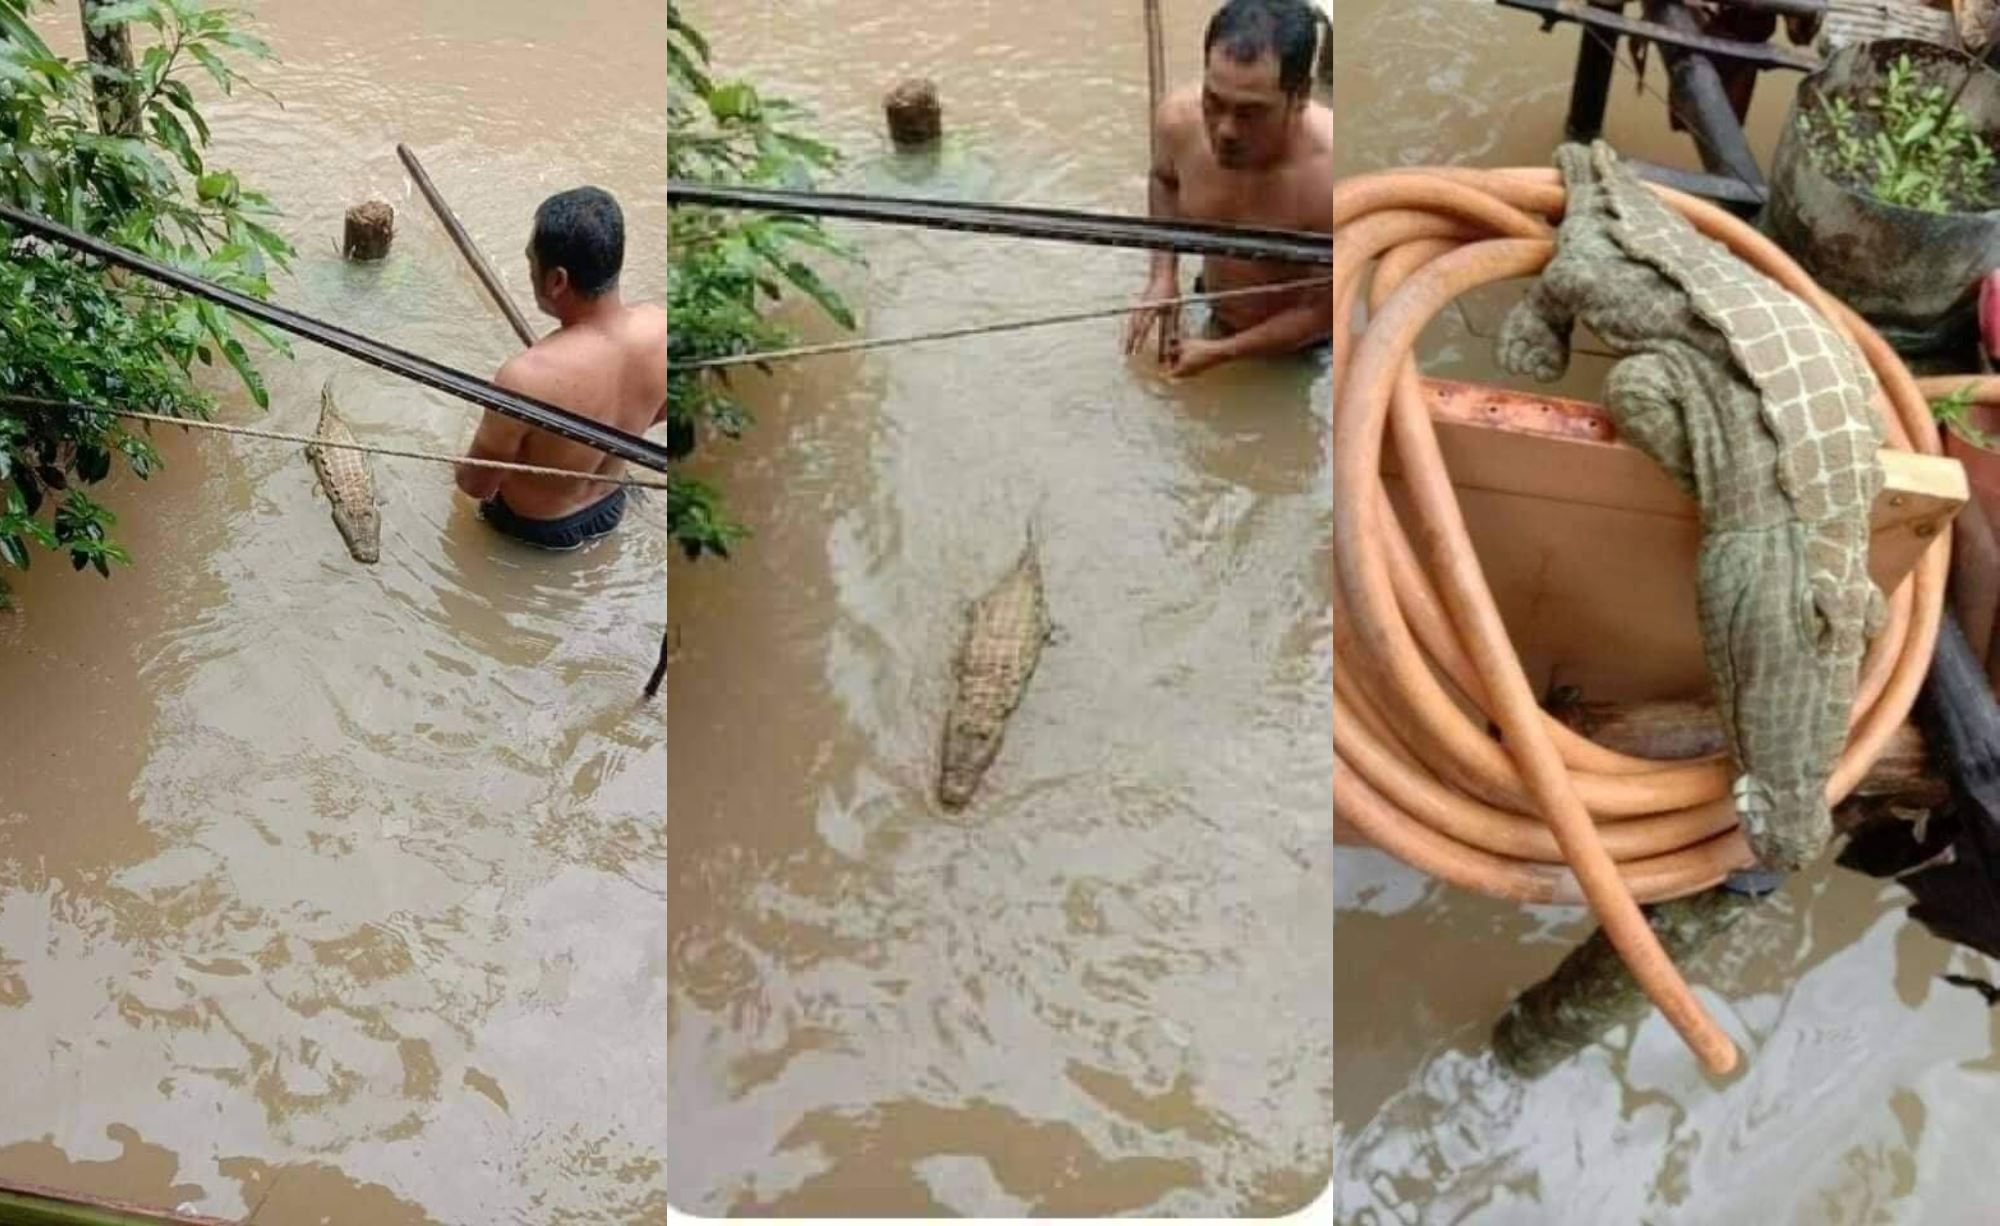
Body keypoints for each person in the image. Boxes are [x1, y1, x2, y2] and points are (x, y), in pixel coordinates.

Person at [1122, 0, 1333, 379]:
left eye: (1250, 113)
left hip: (1298, 350)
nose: (1225, 130)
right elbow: (1164, 179)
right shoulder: (1178, 123)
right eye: (1214, 102)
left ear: (1299, 98)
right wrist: (1163, 274)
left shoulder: (1330, 179)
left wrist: (1222, 352)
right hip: (1215, 308)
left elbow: (1322, 313)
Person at [455, 186, 668, 551]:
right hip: (611, 505)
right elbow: (660, 411)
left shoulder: (525, 377)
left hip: (535, 530)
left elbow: (477, 485)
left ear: (557, 281)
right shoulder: (661, 327)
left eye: (530, 261)